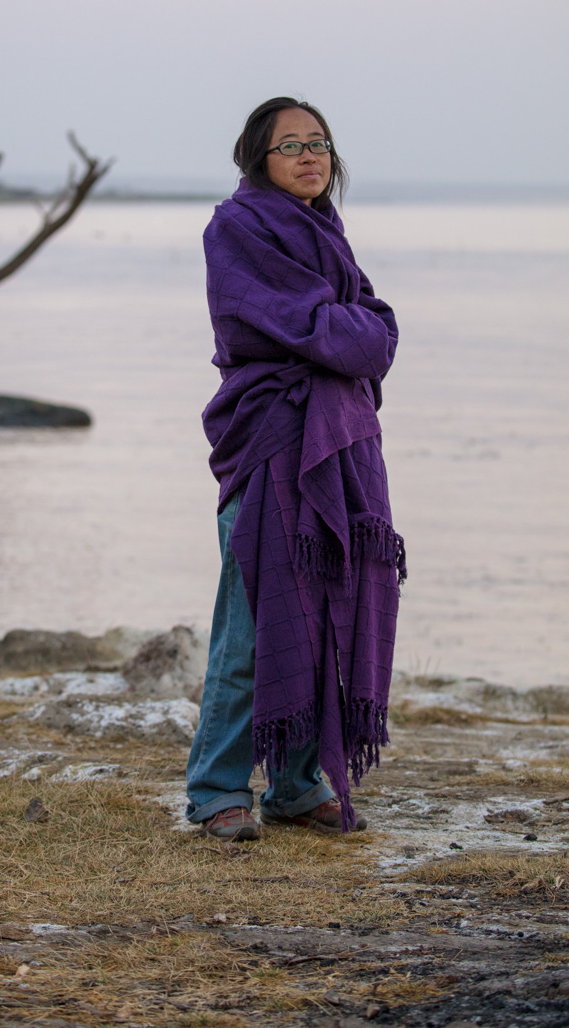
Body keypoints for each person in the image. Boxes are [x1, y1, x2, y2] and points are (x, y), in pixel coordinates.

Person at [185, 97, 405, 840]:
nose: (310, 156)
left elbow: (378, 331)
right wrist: (348, 334)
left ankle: (294, 784)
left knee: (326, 618)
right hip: (270, 437)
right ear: (259, 158)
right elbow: (310, 325)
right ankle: (217, 788)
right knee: (251, 626)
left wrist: (347, 333)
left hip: (340, 444)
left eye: (319, 143)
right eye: (291, 145)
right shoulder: (236, 228)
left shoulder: (325, 231)